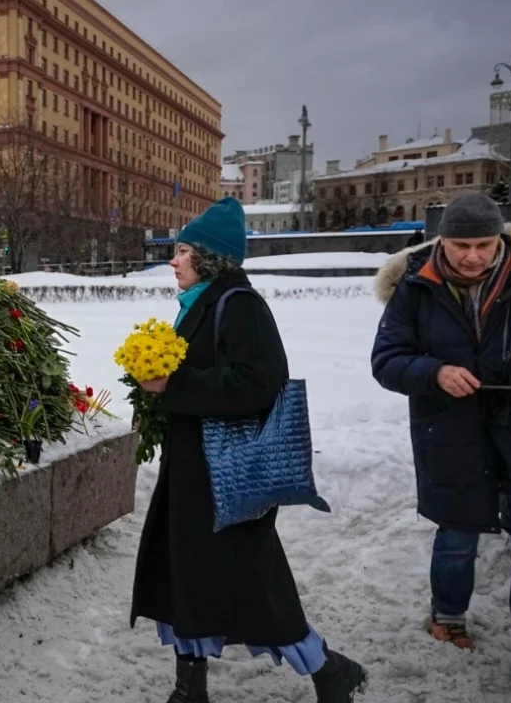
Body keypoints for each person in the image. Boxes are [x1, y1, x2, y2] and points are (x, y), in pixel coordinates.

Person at [131, 197, 367, 703]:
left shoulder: (241, 306)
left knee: (254, 587)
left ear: (209, 259)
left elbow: (259, 383)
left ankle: (329, 669)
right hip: (195, 469)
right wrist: (152, 396)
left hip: (227, 475)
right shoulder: (205, 303)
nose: (173, 260)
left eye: (183, 251)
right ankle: (189, 689)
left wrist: (171, 387)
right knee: (184, 579)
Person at [370, 193, 511, 690]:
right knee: (458, 533)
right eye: (460, 244)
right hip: (450, 429)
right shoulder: (416, 286)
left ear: (499, 240)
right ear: (442, 239)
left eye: (483, 245)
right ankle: (447, 617)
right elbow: (387, 359)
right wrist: (434, 371)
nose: (471, 256)